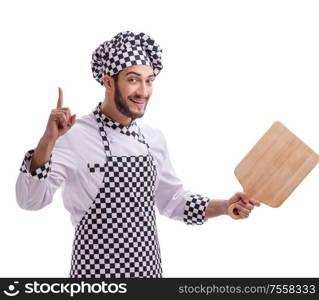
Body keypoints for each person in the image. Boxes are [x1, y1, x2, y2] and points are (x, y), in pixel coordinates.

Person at [15, 31, 260, 278]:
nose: (143, 91)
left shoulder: (153, 139)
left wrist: (225, 206)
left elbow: (172, 199)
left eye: (149, 80)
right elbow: (30, 201)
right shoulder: (73, 135)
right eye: (133, 80)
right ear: (108, 82)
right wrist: (47, 141)